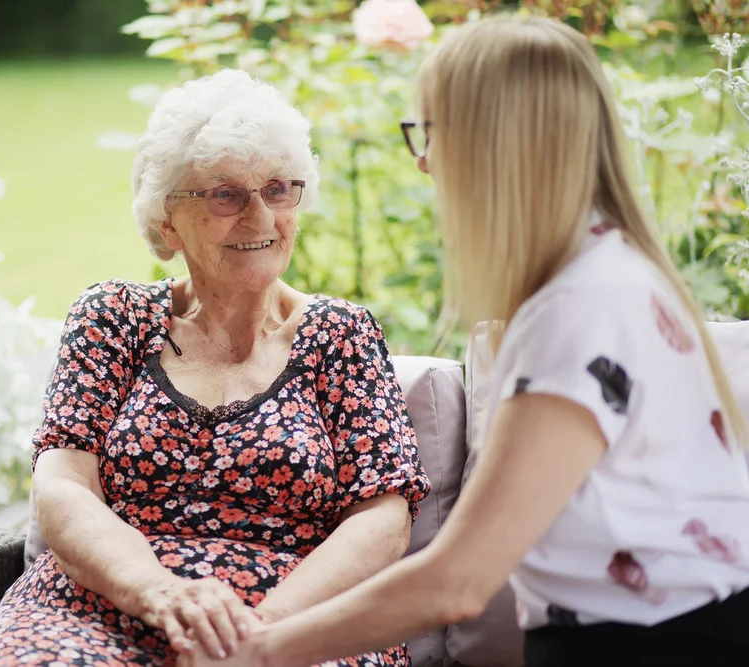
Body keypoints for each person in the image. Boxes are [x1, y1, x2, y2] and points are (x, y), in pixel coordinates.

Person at [187, 15, 749, 667]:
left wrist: (258, 652)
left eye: (430, 133)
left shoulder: (582, 310)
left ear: (497, 145)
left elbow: (457, 580)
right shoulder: (608, 275)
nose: (423, 160)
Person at [0, 69, 430, 667]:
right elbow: (63, 486)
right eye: (226, 194)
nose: (260, 217)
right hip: (97, 608)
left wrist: (260, 633)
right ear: (166, 220)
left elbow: (382, 516)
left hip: (297, 621)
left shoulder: (341, 334)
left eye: (279, 188)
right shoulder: (113, 318)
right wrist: (160, 593)